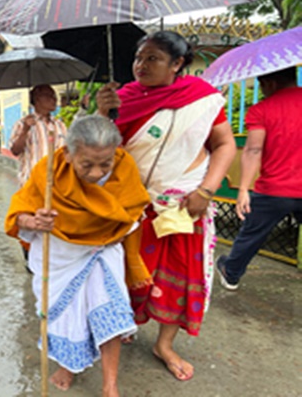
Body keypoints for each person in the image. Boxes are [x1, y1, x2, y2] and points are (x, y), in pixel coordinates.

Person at [95, 31, 236, 381]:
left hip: (185, 204)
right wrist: (102, 113)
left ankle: (165, 345)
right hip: (131, 206)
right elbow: (99, 152)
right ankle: (122, 325)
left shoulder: (202, 99)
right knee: (124, 272)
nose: (141, 65)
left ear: (178, 64)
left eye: (153, 58)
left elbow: (224, 145)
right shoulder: (122, 98)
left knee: (180, 275)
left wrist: (206, 190)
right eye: (139, 57)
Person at [5, 115, 151, 396]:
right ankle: (68, 365)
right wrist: (33, 221)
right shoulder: (48, 171)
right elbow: (19, 210)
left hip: (103, 250)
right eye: (87, 164)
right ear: (70, 154)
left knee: (111, 311)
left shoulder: (125, 166)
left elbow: (134, 209)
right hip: (62, 254)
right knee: (64, 313)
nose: (97, 172)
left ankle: (110, 384)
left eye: (105, 163)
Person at [216, 66, 302, 290]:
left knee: (252, 234)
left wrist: (243, 189)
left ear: (270, 83)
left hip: (274, 189)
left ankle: (231, 273)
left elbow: (253, 149)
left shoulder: (261, 110)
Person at [9, 84, 67, 186]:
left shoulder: (60, 125)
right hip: (32, 184)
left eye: (54, 96)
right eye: (49, 96)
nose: (54, 99)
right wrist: (25, 130)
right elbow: (15, 151)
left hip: (56, 184)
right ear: (37, 99)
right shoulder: (22, 124)